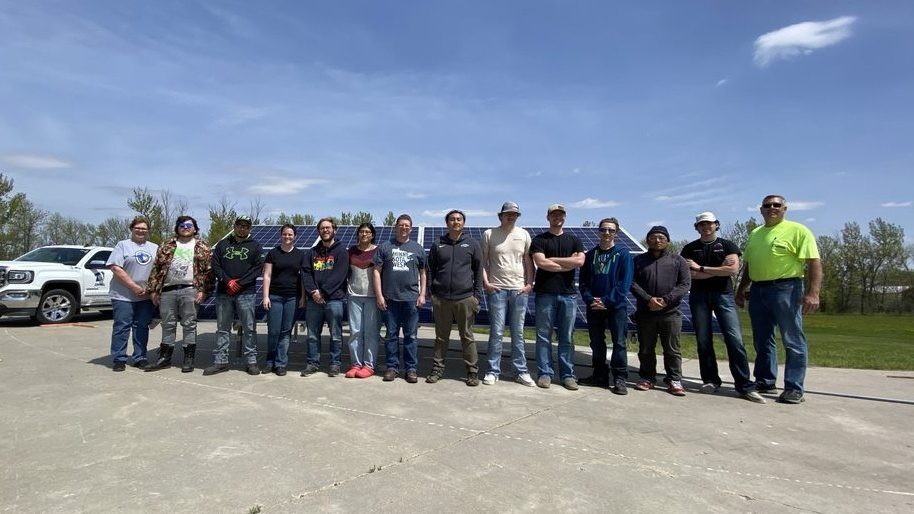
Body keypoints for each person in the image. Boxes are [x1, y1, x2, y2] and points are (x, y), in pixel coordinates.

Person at [736, 195, 822, 405]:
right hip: (758, 290)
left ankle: (794, 388)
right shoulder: (756, 234)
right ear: (761, 209)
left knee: (792, 339)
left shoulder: (798, 230)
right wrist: (740, 289)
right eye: (767, 205)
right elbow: (749, 265)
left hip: (787, 288)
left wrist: (813, 293)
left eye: (777, 205)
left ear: (785, 208)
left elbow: (814, 262)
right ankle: (765, 380)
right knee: (762, 339)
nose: (772, 208)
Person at [681, 212, 765, 403]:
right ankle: (710, 379)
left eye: (709, 224)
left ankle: (744, 385)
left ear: (716, 225)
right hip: (698, 296)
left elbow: (733, 270)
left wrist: (701, 268)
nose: (705, 227)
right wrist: (718, 271)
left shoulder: (727, 245)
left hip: (724, 296)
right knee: (703, 340)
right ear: (697, 228)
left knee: (734, 339)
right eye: (701, 224)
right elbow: (688, 275)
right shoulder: (689, 248)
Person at [145, 216, 214, 373]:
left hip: (191, 289)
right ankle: (164, 358)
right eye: (182, 225)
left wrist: (204, 291)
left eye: (189, 225)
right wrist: (154, 290)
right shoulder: (166, 245)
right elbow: (156, 268)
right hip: (168, 289)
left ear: (195, 228)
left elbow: (209, 272)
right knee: (167, 324)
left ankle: (188, 359)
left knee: (189, 324)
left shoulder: (202, 247)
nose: (185, 227)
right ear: (177, 228)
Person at [426, 209, 484, 386]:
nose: (455, 222)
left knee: (467, 336)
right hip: (441, 299)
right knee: (441, 337)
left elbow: (478, 270)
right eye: (452, 219)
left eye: (459, 219)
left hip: (465, 298)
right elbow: (430, 269)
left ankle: (472, 372)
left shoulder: (473, 244)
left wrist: (476, 296)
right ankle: (437, 370)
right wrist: (433, 293)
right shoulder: (438, 244)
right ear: (447, 223)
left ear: (463, 223)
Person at [530, 204, 585, 390]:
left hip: (568, 295)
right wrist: (566, 264)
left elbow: (579, 261)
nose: (557, 217)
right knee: (543, 336)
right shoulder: (539, 240)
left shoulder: (574, 240)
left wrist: (553, 259)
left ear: (565, 217)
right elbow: (540, 262)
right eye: (554, 215)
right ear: (548, 217)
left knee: (567, 336)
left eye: (560, 215)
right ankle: (544, 373)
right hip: (545, 293)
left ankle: (567, 375)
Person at [631, 226, 690, 396]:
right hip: (645, 312)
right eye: (653, 237)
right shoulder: (638, 261)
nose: (657, 240)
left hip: (670, 313)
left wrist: (666, 300)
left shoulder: (678, 260)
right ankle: (647, 377)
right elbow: (632, 282)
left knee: (672, 348)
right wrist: (648, 299)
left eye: (661, 238)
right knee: (646, 348)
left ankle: (674, 379)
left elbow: (685, 284)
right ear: (648, 240)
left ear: (668, 241)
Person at [481, 201, 535, 387]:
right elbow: (483, 262)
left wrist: (529, 284)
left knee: (518, 333)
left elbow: (528, 261)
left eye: (514, 214)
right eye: (507, 214)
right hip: (497, 290)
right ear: (500, 216)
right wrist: (486, 283)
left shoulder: (524, 234)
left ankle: (520, 371)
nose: (511, 216)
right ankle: (492, 371)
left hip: (519, 291)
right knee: (496, 332)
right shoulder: (489, 234)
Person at [578, 217, 634, 395]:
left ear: (616, 232)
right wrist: (590, 300)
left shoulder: (623, 254)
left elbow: (624, 283)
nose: (607, 233)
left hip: (616, 306)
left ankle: (620, 378)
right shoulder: (590, 255)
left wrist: (607, 301)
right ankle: (599, 375)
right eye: (603, 230)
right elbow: (584, 282)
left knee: (619, 342)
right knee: (596, 342)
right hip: (594, 306)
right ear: (598, 231)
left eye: (611, 230)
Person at [204, 215, 264, 376]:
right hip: (224, 292)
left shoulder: (256, 246)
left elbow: (258, 268)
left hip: (246, 294)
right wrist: (227, 281)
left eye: (245, 226)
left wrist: (239, 283)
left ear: (249, 228)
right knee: (222, 328)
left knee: (249, 329)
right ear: (235, 226)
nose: (242, 228)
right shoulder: (223, 244)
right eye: (239, 225)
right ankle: (220, 362)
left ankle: (251, 362)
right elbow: (215, 265)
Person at [373, 214, 427, 383]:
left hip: (411, 299)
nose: (404, 228)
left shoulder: (418, 248)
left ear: (411, 228)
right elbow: (376, 271)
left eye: (407, 225)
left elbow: (423, 273)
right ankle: (392, 367)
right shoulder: (385, 247)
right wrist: (379, 295)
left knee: (411, 336)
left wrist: (423, 293)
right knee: (391, 335)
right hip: (390, 299)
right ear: (395, 227)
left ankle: (411, 369)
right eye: (401, 225)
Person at [106, 216, 158, 372]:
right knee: (122, 327)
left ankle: (140, 357)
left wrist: (152, 289)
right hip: (123, 295)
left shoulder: (154, 247)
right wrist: (133, 286)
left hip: (145, 296)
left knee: (141, 327)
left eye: (144, 228)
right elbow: (116, 268)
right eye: (138, 227)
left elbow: (159, 270)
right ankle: (119, 358)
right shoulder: (122, 245)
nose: (141, 231)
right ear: (132, 229)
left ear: (148, 230)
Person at [300, 218, 349, 377]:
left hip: (334, 300)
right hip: (314, 301)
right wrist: (313, 292)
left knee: (335, 335)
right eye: (322, 228)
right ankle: (312, 363)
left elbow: (340, 275)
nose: (325, 230)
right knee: (312, 335)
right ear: (318, 231)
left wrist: (323, 292)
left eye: (328, 228)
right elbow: (306, 273)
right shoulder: (312, 252)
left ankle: (335, 364)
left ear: (334, 229)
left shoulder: (342, 251)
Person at [261, 223, 306, 376]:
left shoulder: (300, 255)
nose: (287, 237)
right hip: (275, 297)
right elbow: (266, 275)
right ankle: (269, 361)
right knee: (274, 331)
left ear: (295, 236)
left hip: (292, 297)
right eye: (285, 234)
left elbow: (303, 279)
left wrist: (303, 297)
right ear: (281, 236)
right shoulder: (273, 254)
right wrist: (265, 296)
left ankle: (281, 363)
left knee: (286, 332)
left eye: (290, 234)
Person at [345, 222, 381, 379]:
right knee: (355, 332)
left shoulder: (379, 251)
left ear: (372, 234)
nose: (364, 234)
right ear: (358, 234)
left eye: (367, 232)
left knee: (371, 332)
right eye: (361, 232)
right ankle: (356, 364)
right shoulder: (350, 251)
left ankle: (369, 365)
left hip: (373, 297)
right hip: (354, 296)